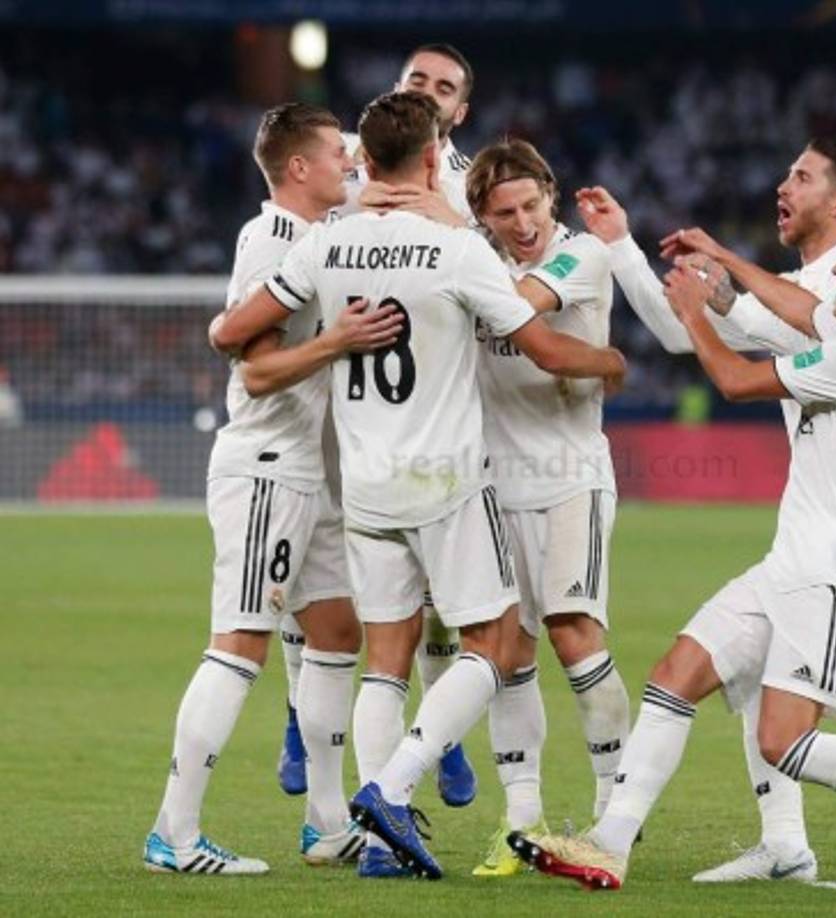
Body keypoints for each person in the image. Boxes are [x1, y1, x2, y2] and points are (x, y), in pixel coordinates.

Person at [511, 222, 836, 893]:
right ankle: (608, 845)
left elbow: (739, 380)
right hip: (790, 562)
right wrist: (722, 263)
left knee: (785, 744)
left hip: (829, 571)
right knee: (675, 674)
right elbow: (801, 309)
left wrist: (694, 315)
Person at [236, 91, 625, 880]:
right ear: (427, 161)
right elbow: (545, 349)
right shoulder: (458, 250)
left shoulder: (327, 244)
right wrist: (610, 362)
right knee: (495, 642)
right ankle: (391, 787)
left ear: (363, 162)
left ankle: (381, 847)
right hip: (446, 480)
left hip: (366, 484)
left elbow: (236, 332)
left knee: (387, 659)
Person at [143, 103, 396, 875]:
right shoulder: (273, 239)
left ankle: (325, 822)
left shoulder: (317, 236)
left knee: (337, 633)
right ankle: (174, 834)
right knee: (242, 643)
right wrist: (337, 342)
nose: (347, 165)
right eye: (333, 154)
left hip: (315, 478)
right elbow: (251, 365)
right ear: (297, 169)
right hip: (267, 468)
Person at [279, 42, 481, 807]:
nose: (430, 90)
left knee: (425, 593)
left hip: (425, 405)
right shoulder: (340, 163)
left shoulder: (465, 184)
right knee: (315, 570)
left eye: (445, 86)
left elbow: (499, 264)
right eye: (418, 79)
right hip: (332, 402)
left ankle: (440, 737)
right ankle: (298, 718)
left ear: (461, 111)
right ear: (399, 89)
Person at [457, 139, 630, 876]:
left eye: (531, 205)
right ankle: (519, 821)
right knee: (506, 652)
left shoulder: (581, 254)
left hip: (570, 478)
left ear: (550, 197)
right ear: (485, 217)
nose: (523, 222)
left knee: (573, 632)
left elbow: (518, 312)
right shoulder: (471, 256)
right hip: (495, 482)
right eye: (505, 212)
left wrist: (458, 274)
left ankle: (613, 811)